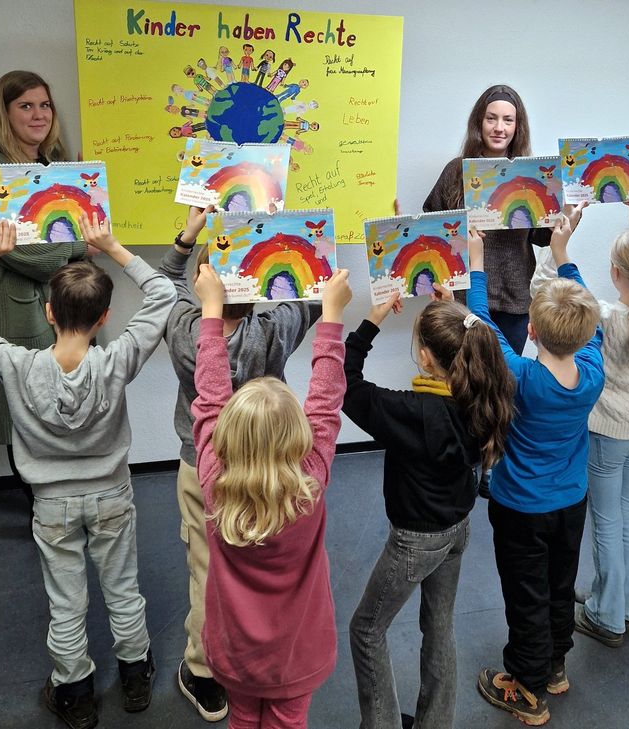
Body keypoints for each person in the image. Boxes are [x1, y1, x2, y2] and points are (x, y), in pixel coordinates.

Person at [0, 216, 177, 729]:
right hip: (111, 497)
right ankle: (135, 680)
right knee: (124, 589)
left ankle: (75, 695)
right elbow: (161, 295)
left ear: (47, 311)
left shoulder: (14, 364)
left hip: (51, 506)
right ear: (105, 314)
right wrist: (112, 245)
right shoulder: (118, 360)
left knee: (66, 603)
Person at [158, 206, 320, 722]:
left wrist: (187, 237)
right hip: (277, 469)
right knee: (273, 572)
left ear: (206, 284)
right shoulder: (273, 328)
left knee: (208, 572)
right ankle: (269, 660)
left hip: (203, 469)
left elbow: (164, 283)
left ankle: (206, 676)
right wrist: (279, 241)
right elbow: (311, 294)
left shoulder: (185, 329)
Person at [343, 291, 514, 729]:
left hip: (415, 541)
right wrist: (456, 309)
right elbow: (472, 339)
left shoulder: (413, 412)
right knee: (439, 627)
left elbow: (346, 384)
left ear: (424, 357)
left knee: (366, 630)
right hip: (457, 529)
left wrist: (372, 320)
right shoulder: (481, 394)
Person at [191, 264, 351, 729]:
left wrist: (211, 312)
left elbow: (210, 396)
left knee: (242, 718)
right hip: (296, 653)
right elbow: (326, 402)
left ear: (224, 437)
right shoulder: (311, 481)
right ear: (300, 438)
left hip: (236, 652)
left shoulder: (213, 480)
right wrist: (331, 317)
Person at [469, 204, 604, 727]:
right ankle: (554, 666)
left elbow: (480, 323)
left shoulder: (522, 377)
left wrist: (476, 261)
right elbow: (585, 308)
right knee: (559, 583)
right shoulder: (592, 370)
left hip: (521, 508)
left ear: (531, 329)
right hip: (571, 502)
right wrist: (564, 256)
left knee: (526, 594)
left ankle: (526, 688)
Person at [531, 198, 629, 647]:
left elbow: (544, 291)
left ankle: (607, 615)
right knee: (626, 517)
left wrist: (561, 244)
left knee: (604, 522)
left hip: (606, 437)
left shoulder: (606, 318)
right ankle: (624, 604)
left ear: (616, 273)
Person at [0, 70, 86, 508]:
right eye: (26, 106)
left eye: (45, 105)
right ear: (6, 112)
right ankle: (42, 509)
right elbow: (14, 251)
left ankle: (60, 502)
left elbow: (73, 233)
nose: (38, 114)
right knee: (21, 412)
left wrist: (85, 189)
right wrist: (76, 245)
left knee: (60, 403)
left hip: (60, 307)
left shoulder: (53, 168)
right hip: (10, 310)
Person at [423, 84, 550, 356]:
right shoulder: (456, 170)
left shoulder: (529, 174)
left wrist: (570, 211)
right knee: (461, 378)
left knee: (503, 382)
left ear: (518, 126)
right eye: (491, 118)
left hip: (514, 301)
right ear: (479, 122)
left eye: (508, 120)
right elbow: (433, 229)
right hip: (463, 299)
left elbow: (543, 237)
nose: (499, 127)